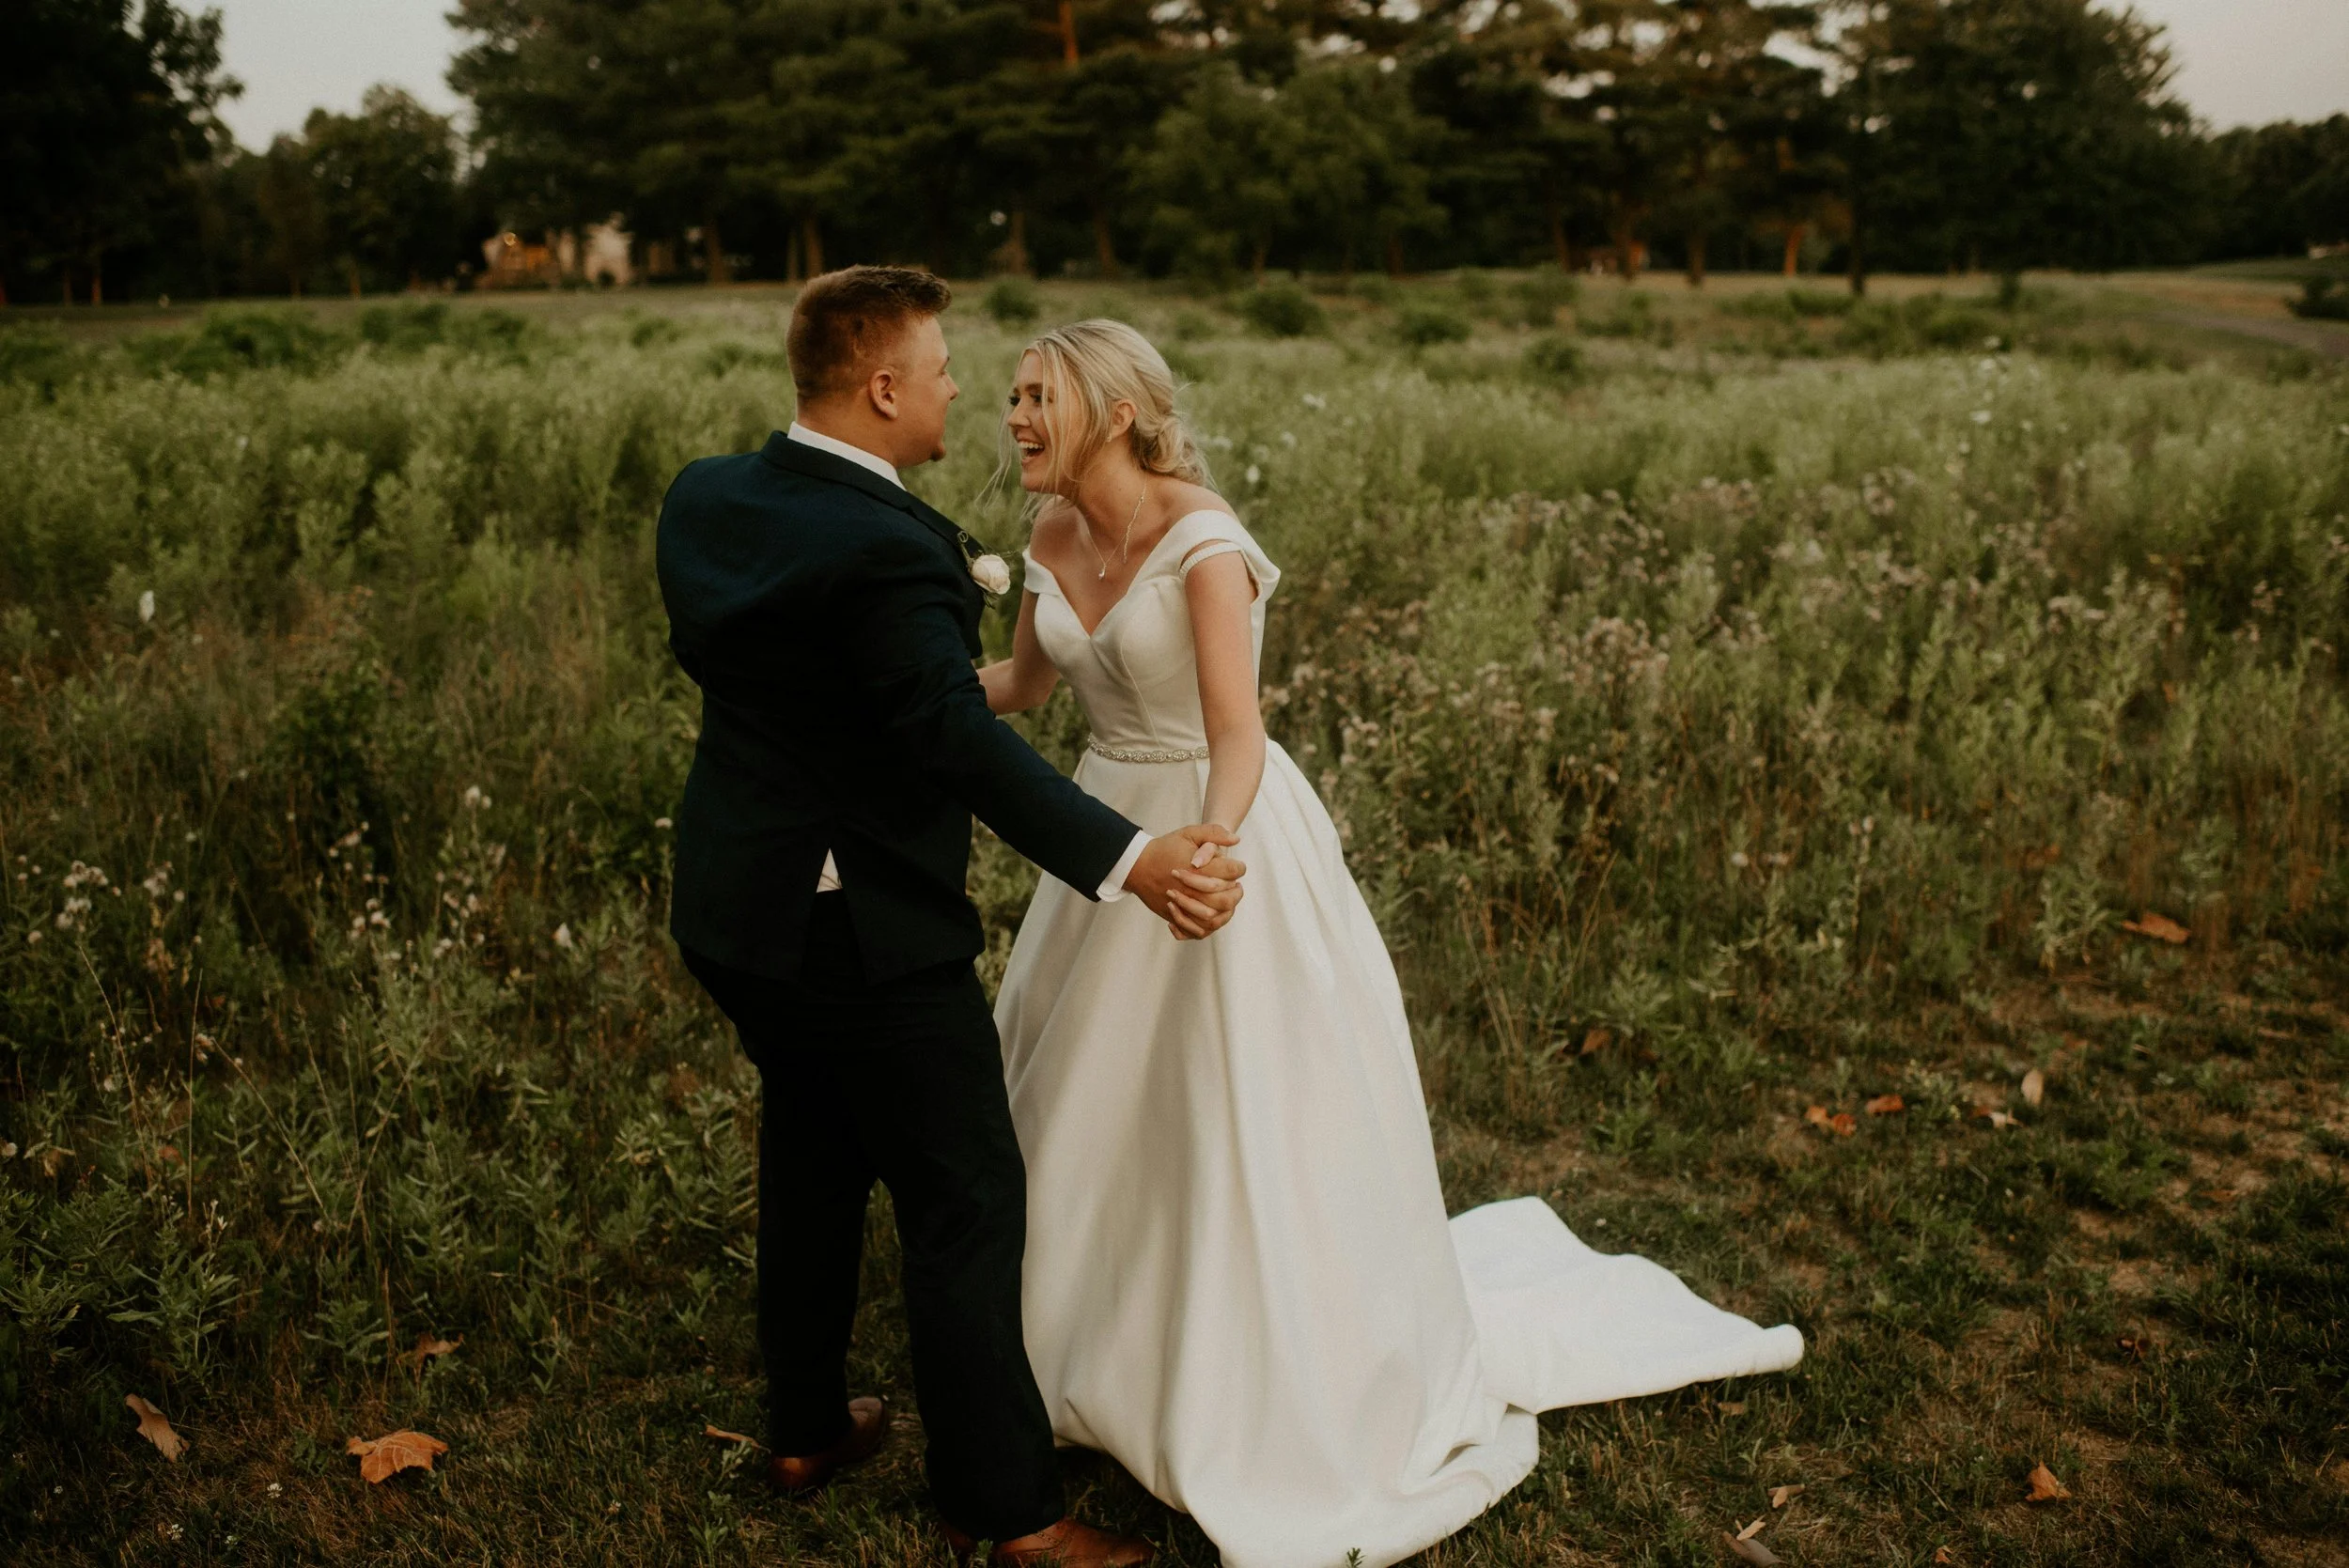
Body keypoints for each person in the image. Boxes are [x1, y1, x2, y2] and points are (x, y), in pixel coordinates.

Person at [983, 319, 1806, 1568]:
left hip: (1217, 832)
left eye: (1037, 396)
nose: (1015, 418)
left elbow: (1238, 731)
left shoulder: (1201, 539)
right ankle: (1083, 1343)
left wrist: (1209, 847)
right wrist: (898, 673)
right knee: (1088, 1104)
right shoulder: (1047, 539)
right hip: (1102, 843)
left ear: (1109, 409)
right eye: (1008, 397)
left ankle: (1251, 1361)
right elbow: (1024, 691)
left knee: (1233, 1109)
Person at [657, 270, 1248, 1568]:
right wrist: (1133, 861)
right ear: (881, 389)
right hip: (855, 928)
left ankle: (808, 1425)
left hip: (731, 908)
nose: (961, 390)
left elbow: (799, 679)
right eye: (939, 369)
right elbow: (948, 741)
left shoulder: (708, 499)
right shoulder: (893, 548)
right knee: (965, 1197)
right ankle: (1012, 1510)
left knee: (812, 1152)